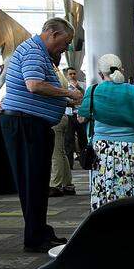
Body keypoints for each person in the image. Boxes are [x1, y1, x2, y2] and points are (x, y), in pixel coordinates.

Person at [0, 17, 82, 252]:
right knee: (33, 182)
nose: (64, 49)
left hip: (28, 123)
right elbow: (34, 85)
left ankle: (39, 231)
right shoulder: (35, 52)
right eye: (64, 43)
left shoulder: (35, 51)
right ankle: (35, 237)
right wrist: (68, 93)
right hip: (26, 125)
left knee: (35, 182)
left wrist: (63, 99)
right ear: (53, 34)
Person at [78, 53, 134, 211]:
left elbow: (81, 118)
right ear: (122, 70)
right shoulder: (132, 90)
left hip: (103, 151)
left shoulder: (92, 91)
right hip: (132, 149)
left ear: (100, 73)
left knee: (105, 190)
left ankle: (105, 225)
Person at [48, 58, 76, 198]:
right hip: (63, 116)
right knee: (61, 152)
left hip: (54, 117)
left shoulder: (51, 75)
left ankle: (55, 184)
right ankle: (68, 184)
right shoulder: (59, 74)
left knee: (55, 154)